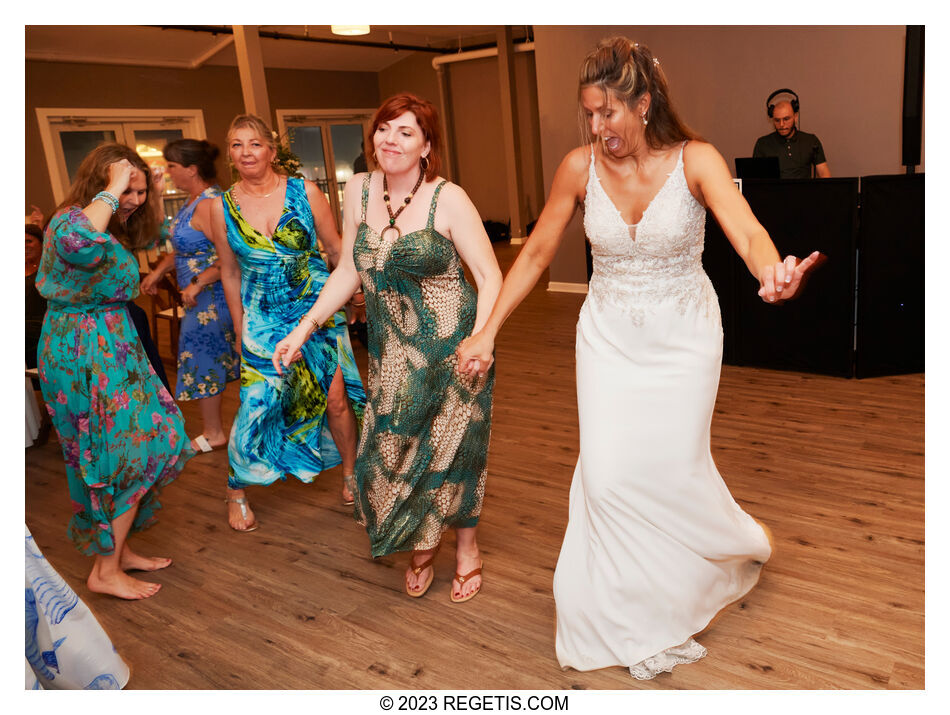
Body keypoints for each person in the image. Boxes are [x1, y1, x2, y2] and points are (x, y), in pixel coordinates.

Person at [457, 38, 820, 677]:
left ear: (643, 103)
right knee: (608, 475)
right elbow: (538, 253)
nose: (598, 129)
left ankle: (726, 544)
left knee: (671, 469)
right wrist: (488, 330)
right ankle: (624, 613)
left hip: (684, 337)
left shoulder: (696, 160)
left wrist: (773, 271)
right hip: (607, 338)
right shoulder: (578, 167)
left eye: (608, 114)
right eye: (588, 115)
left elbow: (747, 231)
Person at [273, 93, 502, 603]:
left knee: (455, 453)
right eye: (383, 129)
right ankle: (422, 541)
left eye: (405, 132)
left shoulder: (450, 198)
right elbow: (349, 268)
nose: (390, 140)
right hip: (393, 352)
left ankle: (464, 550)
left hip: (454, 348)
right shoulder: (358, 189)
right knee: (393, 452)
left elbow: (489, 276)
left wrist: (481, 341)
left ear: (426, 146)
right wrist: (305, 326)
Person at [35, 142, 192, 600]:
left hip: (113, 342)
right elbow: (81, 247)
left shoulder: (114, 224)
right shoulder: (69, 220)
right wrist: (114, 188)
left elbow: (148, 235)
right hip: (80, 350)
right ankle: (105, 569)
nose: (133, 200)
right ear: (100, 182)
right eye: (127, 190)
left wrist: (152, 194)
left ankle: (117, 550)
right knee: (121, 452)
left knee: (144, 440)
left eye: (139, 191)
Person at [208, 114, 366, 532]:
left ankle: (351, 473)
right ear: (230, 153)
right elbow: (228, 272)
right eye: (237, 145)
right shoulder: (220, 207)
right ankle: (236, 488)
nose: (246, 152)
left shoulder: (304, 191)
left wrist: (352, 295)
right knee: (256, 404)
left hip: (318, 312)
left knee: (335, 400)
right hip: (262, 320)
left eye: (255, 144)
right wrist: (241, 328)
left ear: (272, 151)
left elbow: (335, 249)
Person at [141, 139, 239, 453]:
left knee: (202, 356)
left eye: (172, 165)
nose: (168, 171)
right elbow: (184, 249)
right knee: (203, 356)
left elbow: (231, 255)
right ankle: (214, 431)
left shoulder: (212, 203)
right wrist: (158, 272)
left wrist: (197, 282)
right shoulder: (191, 201)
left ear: (191, 169)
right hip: (199, 295)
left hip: (215, 295)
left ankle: (214, 432)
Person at [753, 89, 830, 179]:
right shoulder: (763, 144)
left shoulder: (811, 141)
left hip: (805, 192)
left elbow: (824, 175)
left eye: (786, 119)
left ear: (795, 117)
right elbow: (755, 180)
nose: (781, 124)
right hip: (775, 192)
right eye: (777, 120)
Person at [26, 223, 47, 375]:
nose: (24, 246)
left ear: (41, 243)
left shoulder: (49, 269)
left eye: (28, 241)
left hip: (44, 330)